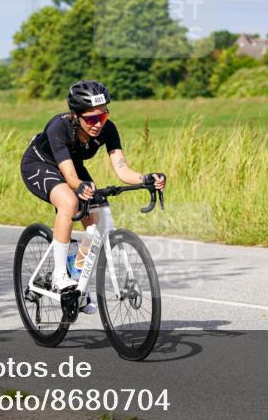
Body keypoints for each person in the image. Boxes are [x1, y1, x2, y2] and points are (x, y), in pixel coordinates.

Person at [20, 80, 166, 313]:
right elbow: (70, 177)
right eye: (90, 119)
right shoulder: (59, 127)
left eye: (102, 116)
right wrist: (80, 186)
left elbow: (122, 170)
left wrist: (147, 178)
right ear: (76, 116)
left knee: (99, 219)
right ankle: (59, 276)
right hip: (40, 164)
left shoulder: (108, 129)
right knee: (69, 201)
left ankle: (76, 274)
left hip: (71, 164)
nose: (98, 124)